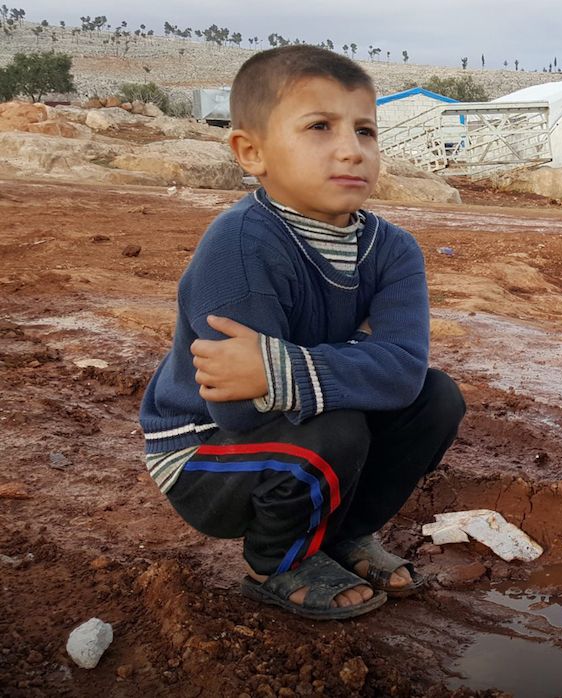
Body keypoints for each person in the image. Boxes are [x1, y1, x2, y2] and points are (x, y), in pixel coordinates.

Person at [138, 45, 466, 620]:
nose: (351, 149)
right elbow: (239, 412)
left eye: (365, 130)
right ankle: (276, 561)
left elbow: (404, 373)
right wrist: (355, 365)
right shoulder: (238, 246)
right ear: (252, 151)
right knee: (337, 427)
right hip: (205, 453)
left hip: (293, 422)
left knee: (436, 398)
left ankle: (343, 536)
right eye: (320, 126)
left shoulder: (392, 249)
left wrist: (277, 368)